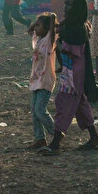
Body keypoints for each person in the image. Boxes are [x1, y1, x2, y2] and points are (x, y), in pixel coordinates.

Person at [42, 0, 98, 154]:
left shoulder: (77, 29)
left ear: (77, 8)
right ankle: (94, 137)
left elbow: (71, 51)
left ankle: (55, 143)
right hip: (71, 72)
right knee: (80, 104)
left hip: (74, 74)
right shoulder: (69, 25)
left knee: (64, 103)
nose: (65, 7)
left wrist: (58, 40)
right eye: (65, 4)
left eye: (69, 5)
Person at [26, 13, 57, 150]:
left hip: (45, 79)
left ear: (46, 28)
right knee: (34, 111)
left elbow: (51, 32)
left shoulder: (49, 41)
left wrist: (51, 19)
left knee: (40, 110)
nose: (35, 28)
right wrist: (37, 23)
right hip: (36, 79)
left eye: (39, 25)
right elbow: (30, 30)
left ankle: (56, 134)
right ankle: (40, 138)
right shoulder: (38, 40)